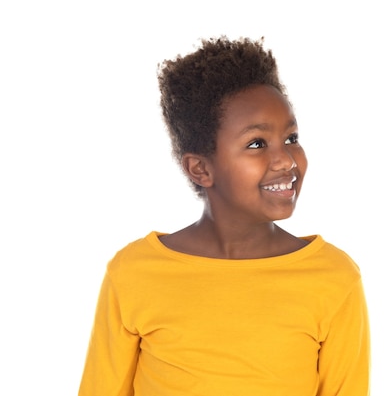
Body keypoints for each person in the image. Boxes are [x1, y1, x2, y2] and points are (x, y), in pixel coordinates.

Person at [78, 36, 370, 396]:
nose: (286, 160)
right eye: (257, 144)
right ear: (201, 169)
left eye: (291, 138)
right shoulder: (133, 272)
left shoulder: (335, 279)